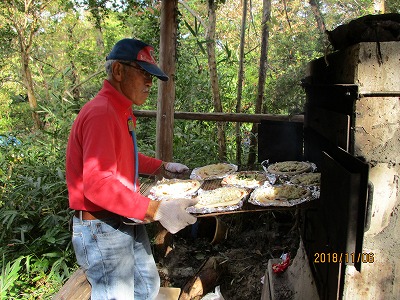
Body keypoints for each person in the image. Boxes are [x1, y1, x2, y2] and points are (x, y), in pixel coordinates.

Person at [66, 38, 198, 300]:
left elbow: (125, 156)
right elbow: (98, 184)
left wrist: (162, 167)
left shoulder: (119, 110)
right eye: (144, 73)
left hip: (125, 216)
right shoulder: (101, 112)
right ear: (118, 71)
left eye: (152, 76)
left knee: (147, 286)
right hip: (102, 227)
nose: (150, 83)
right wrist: (157, 209)